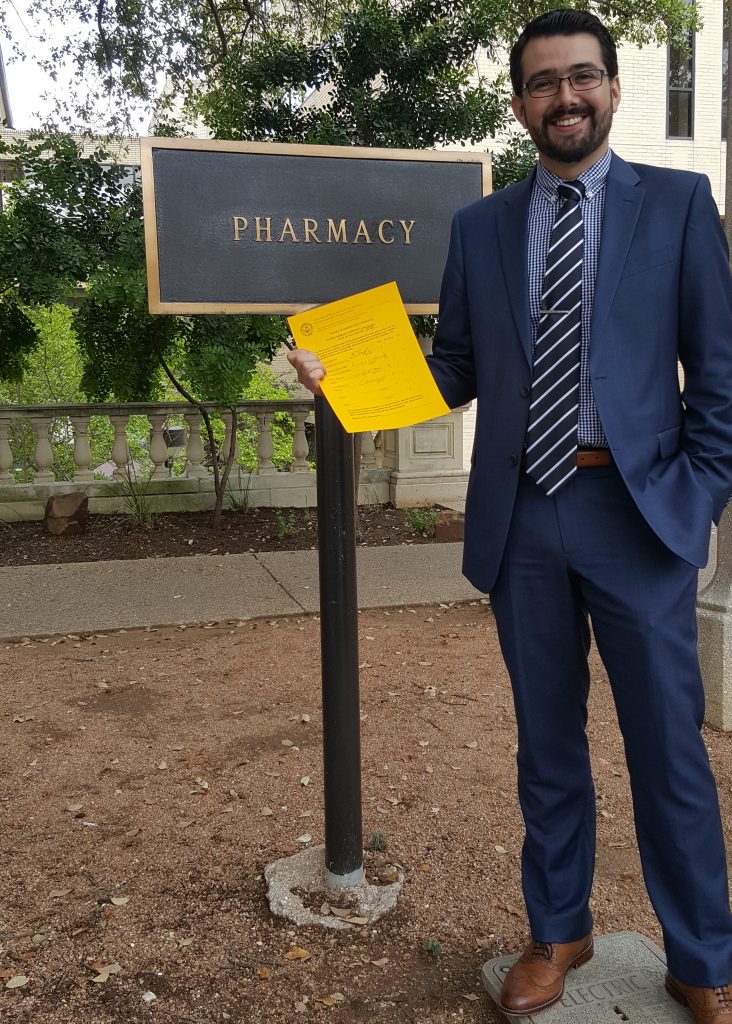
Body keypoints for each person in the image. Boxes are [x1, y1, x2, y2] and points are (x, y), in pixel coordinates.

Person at [288, 10, 732, 1021]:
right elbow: (452, 367)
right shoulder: (481, 228)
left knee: (668, 747)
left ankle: (703, 953)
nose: (565, 97)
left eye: (583, 78)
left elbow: (720, 376)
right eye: (544, 83)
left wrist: (699, 493)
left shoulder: (677, 205)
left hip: (638, 513)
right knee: (547, 743)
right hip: (526, 517)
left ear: (613, 90)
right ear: (521, 102)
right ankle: (558, 927)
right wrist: (342, 381)